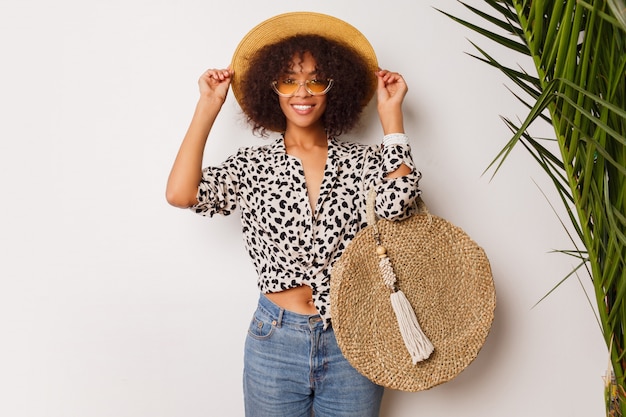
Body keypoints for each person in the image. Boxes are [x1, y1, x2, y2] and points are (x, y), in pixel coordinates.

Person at [166, 12, 421, 417]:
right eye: (289, 79)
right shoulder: (251, 167)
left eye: (316, 79)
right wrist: (208, 105)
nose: (303, 91)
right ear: (273, 88)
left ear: (334, 86)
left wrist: (392, 118)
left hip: (352, 339)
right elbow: (181, 194)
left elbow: (397, 205)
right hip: (275, 342)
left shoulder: (363, 162)